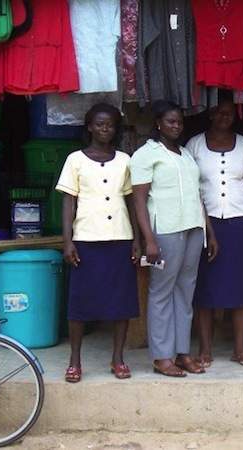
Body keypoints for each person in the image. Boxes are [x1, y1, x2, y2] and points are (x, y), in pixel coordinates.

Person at [130, 100, 218, 377]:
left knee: (185, 291)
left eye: (179, 122)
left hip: (193, 228)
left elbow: (197, 196)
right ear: (158, 123)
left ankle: (182, 353)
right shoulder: (146, 154)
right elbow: (139, 200)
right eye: (170, 121)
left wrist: (209, 232)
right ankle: (161, 357)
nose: (176, 126)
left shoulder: (185, 154)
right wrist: (149, 239)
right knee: (161, 292)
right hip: (165, 230)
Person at [57, 103, 140, 383]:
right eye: (100, 124)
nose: (105, 129)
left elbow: (132, 202)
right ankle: (75, 361)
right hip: (86, 240)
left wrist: (137, 240)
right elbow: (69, 202)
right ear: (90, 127)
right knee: (79, 303)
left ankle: (117, 359)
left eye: (110, 125)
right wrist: (67, 241)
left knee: (121, 302)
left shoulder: (125, 160)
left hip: (120, 237)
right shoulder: (75, 160)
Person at [187, 99, 243, 368]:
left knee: (241, 289)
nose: (224, 117)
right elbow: (190, 189)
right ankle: (205, 349)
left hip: (240, 224)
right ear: (210, 114)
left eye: (229, 114)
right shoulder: (194, 145)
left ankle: (239, 349)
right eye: (219, 112)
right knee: (205, 290)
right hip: (205, 224)